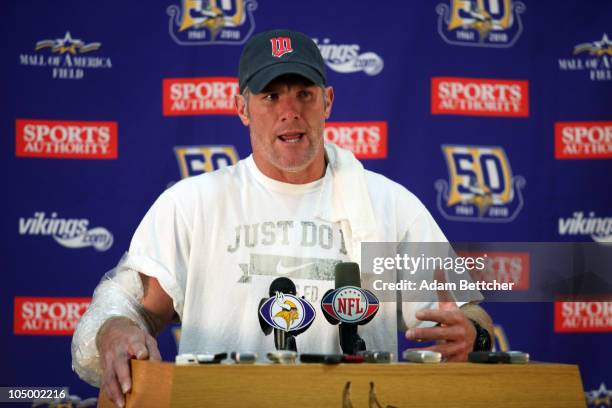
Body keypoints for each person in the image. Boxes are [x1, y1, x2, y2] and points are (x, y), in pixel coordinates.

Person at [72, 29, 494, 408]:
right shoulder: (193, 204)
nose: (289, 112)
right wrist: (114, 330)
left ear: (327, 101)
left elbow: (468, 313)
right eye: (271, 96)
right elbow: (129, 307)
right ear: (242, 108)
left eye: (303, 94)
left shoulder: (389, 205)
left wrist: (474, 336)